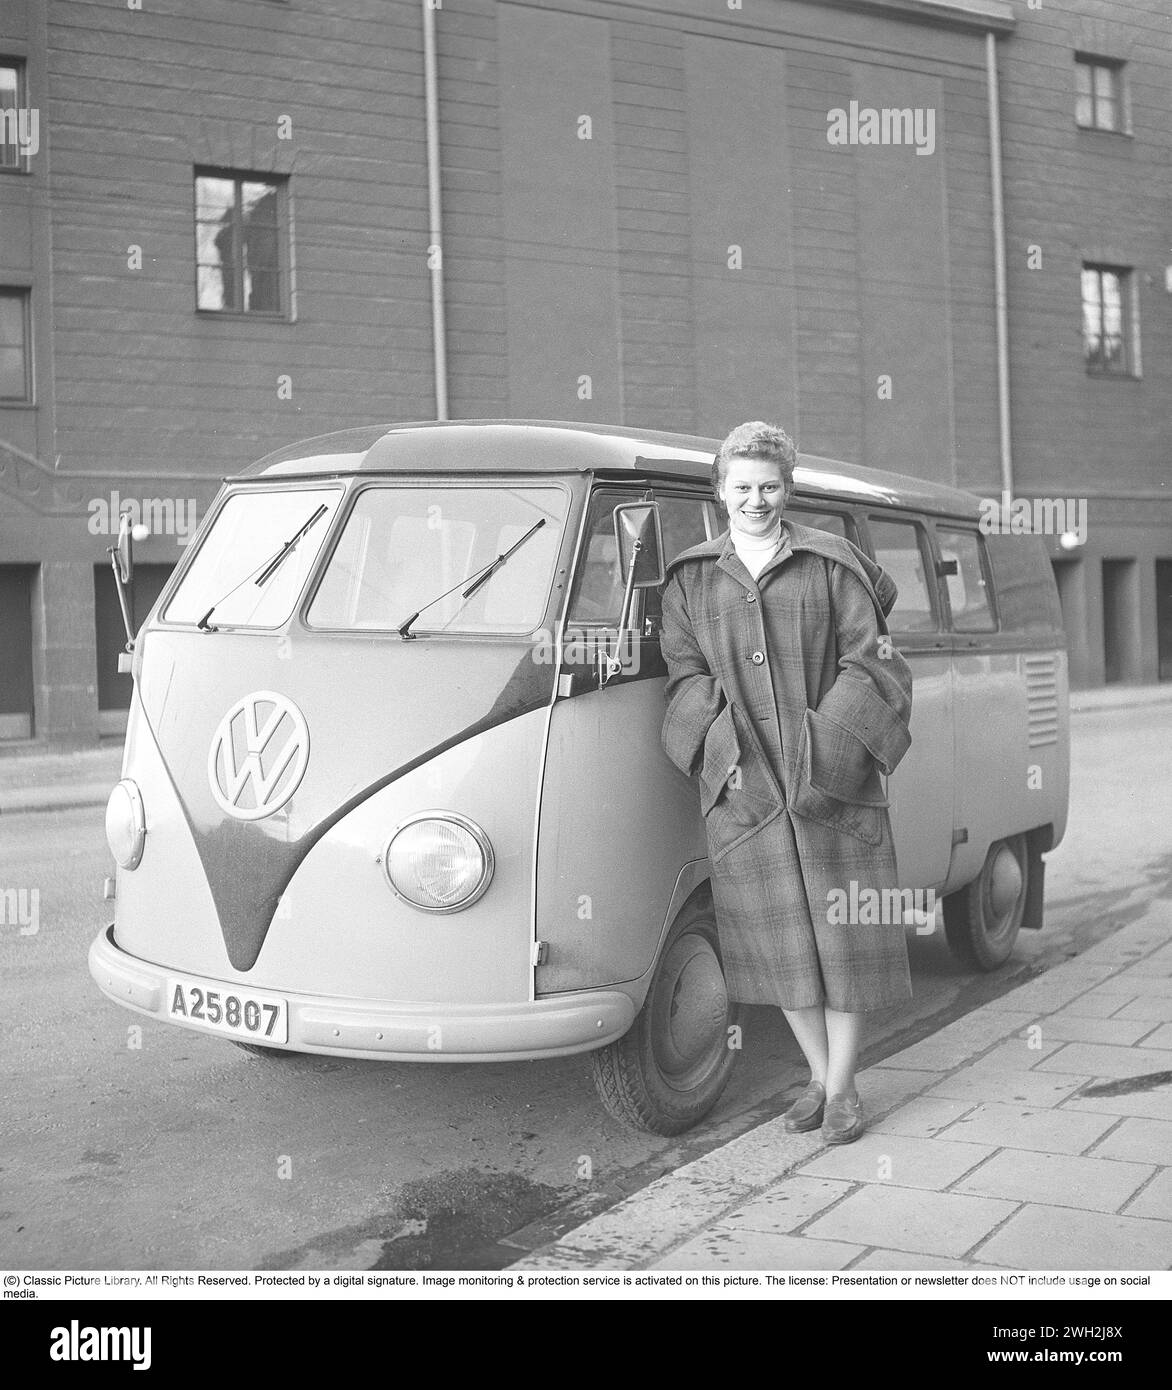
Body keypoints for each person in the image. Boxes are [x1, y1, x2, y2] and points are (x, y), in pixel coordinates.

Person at [659, 421, 914, 1144]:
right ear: (719, 493)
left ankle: (841, 1093)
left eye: (769, 486)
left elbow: (877, 663)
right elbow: (685, 682)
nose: (756, 500)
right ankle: (817, 1077)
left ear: (788, 489)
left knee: (844, 945)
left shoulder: (833, 565)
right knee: (781, 950)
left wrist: (826, 755)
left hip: (835, 785)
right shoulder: (690, 578)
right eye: (741, 487)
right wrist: (725, 760)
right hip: (746, 794)